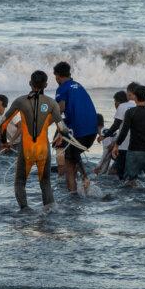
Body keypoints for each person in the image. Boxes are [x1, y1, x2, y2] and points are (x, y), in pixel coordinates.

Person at [0, 70, 69, 209]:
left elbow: (3, 124)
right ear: (46, 85)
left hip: (26, 150)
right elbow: (62, 127)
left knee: (20, 182)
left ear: (30, 83)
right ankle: (49, 213)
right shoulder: (52, 103)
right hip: (43, 149)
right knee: (45, 183)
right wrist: (63, 135)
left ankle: (25, 212)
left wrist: (4, 142)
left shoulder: (20, 101)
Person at [52, 61, 99, 195]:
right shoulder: (79, 86)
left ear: (58, 76)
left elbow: (59, 109)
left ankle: (73, 195)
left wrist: (49, 126)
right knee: (73, 155)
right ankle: (85, 177)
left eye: (55, 76)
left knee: (69, 163)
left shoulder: (62, 88)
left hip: (79, 131)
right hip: (92, 130)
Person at [102, 86, 137, 180]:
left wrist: (105, 135)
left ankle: (125, 188)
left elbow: (116, 125)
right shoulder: (135, 105)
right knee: (132, 171)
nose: (115, 104)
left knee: (121, 173)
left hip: (124, 145)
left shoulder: (121, 107)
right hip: (136, 145)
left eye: (115, 101)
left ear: (117, 101)